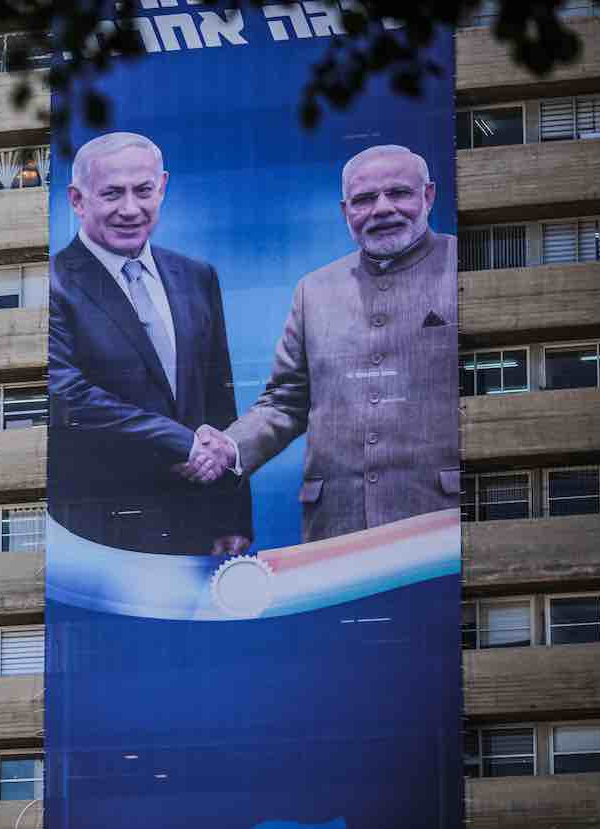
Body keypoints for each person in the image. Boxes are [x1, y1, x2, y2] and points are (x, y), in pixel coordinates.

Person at [184, 144, 460, 543]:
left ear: (428, 196)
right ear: (345, 211)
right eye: (364, 199)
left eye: (398, 193)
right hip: (336, 528)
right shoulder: (313, 290)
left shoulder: (463, 265)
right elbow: (284, 401)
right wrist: (229, 446)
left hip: (438, 524)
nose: (382, 209)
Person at [49, 132, 252, 556]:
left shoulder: (196, 276)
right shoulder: (51, 284)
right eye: (111, 194)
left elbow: (219, 398)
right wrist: (184, 444)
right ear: (77, 199)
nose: (130, 209)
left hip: (196, 524)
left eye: (143, 191)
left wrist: (233, 515)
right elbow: (68, 397)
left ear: (162, 187)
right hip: (100, 534)